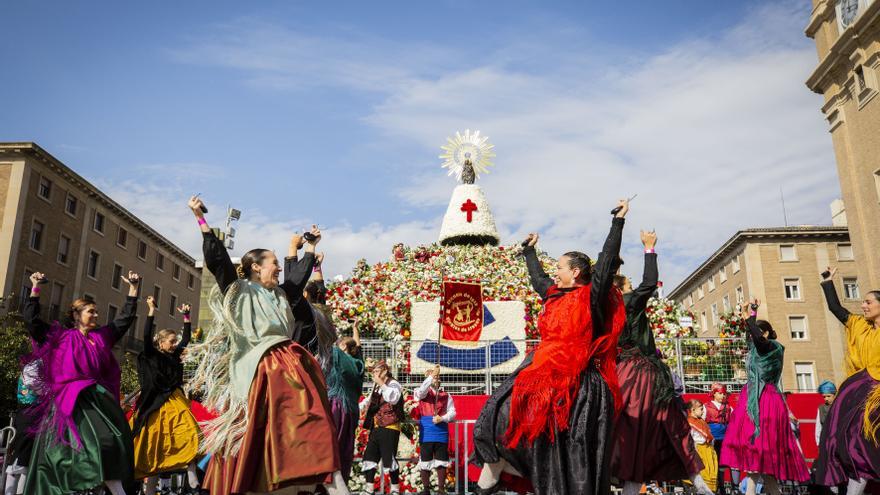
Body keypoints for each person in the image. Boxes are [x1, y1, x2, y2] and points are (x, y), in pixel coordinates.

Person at [184, 197, 348, 495]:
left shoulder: (282, 295)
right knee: (303, 416)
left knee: (278, 432)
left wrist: (309, 246)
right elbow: (218, 260)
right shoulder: (239, 291)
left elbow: (297, 277)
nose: (279, 269)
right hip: (266, 366)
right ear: (256, 268)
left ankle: (309, 475)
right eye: (274, 263)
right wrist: (200, 220)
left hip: (286, 363)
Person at [472, 200, 630, 495]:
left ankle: (533, 475)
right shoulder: (554, 295)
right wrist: (530, 251)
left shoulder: (591, 297)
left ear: (577, 272)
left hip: (577, 378)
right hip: (542, 366)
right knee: (498, 412)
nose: (555, 272)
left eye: (559, 267)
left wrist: (618, 222)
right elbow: (538, 279)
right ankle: (504, 463)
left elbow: (606, 264)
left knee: (568, 444)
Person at [23, 270, 141, 495]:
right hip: (70, 402)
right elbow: (32, 322)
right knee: (68, 455)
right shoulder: (61, 337)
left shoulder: (102, 336)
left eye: (96, 312)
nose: (96, 315)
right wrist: (35, 288)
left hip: (97, 400)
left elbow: (124, 320)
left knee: (111, 443)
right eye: (91, 312)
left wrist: (133, 291)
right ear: (76, 315)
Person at [610, 230, 710, 495]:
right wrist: (649, 248)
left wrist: (614, 263)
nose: (633, 287)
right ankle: (697, 481)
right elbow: (650, 281)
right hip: (642, 372)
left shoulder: (606, 308)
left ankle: (632, 488)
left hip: (620, 372)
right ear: (621, 289)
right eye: (628, 284)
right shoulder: (629, 301)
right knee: (672, 424)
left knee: (631, 433)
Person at [720, 299, 810, 495]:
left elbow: (759, 340)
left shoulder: (772, 347)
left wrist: (749, 318)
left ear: (766, 334)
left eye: (756, 334)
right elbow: (752, 338)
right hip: (752, 397)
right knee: (763, 467)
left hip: (765, 400)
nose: (751, 339)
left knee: (757, 448)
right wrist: (752, 313)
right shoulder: (756, 347)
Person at [814, 267, 880, 495]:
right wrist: (828, 282)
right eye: (863, 302)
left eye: (868, 302)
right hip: (857, 390)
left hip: (875, 395)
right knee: (840, 437)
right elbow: (836, 308)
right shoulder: (860, 326)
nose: (863, 306)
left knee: (864, 442)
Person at [129, 297, 200, 494]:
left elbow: (186, 339)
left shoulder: (175, 356)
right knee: (153, 446)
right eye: (171, 341)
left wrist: (186, 317)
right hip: (156, 403)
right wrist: (151, 310)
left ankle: (193, 482)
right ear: (161, 343)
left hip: (175, 400)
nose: (174, 344)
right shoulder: (153, 355)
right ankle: (150, 491)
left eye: (174, 342)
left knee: (188, 431)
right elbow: (145, 335)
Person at [326, 320, 365, 483]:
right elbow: (358, 347)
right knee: (346, 449)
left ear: (343, 347)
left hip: (336, 406)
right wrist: (355, 329)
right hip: (352, 411)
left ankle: (328, 481)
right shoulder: (359, 364)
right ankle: (343, 481)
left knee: (331, 446)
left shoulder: (338, 355)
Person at [360, 360, 405, 495]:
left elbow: (393, 399)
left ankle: (395, 488)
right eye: (373, 371)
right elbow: (369, 401)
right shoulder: (377, 386)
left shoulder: (393, 384)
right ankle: (369, 488)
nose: (374, 374)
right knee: (370, 456)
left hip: (390, 426)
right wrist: (358, 408)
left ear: (384, 371)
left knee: (388, 458)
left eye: (376, 371)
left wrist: (380, 383)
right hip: (377, 426)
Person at [414, 365, 457, 495]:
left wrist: (443, 418)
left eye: (437, 376)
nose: (435, 378)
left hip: (441, 431)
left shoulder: (446, 395)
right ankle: (426, 489)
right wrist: (431, 376)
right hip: (427, 431)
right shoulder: (419, 391)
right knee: (425, 460)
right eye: (432, 376)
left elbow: (453, 412)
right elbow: (423, 391)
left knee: (441, 461)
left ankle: (441, 489)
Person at [4, 360, 41, 495]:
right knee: (20, 457)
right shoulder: (35, 364)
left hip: (36, 414)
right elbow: (32, 382)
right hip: (28, 413)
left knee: (29, 458)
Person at [706, 383, 738, 494]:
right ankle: (720, 486)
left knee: (730, 462)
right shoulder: (706, 407)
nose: (723, 396)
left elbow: (734, 422)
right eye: (720, 393)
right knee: (716, 463)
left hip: (727, 439)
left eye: (724, 394)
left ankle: (735, 487)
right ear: (714, 393)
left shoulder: (729, 408)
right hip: (714, 439)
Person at [688, 400, 719, 493]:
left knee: (710, 472)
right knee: (703, 472)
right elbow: (692, 438)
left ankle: (708, 491)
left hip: (708, 450)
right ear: (693, 410)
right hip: (700, 450)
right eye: (701, 409)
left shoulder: (701, 421)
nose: (703, 411)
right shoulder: (690, 422)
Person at [814, 380, 837, 448]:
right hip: (826, 440)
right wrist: (818, 442)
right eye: (824, 397)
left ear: (834, 395)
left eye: (828, 396)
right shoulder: (821, 408)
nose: (826, 399)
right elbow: (818, 427)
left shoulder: (841, 405)